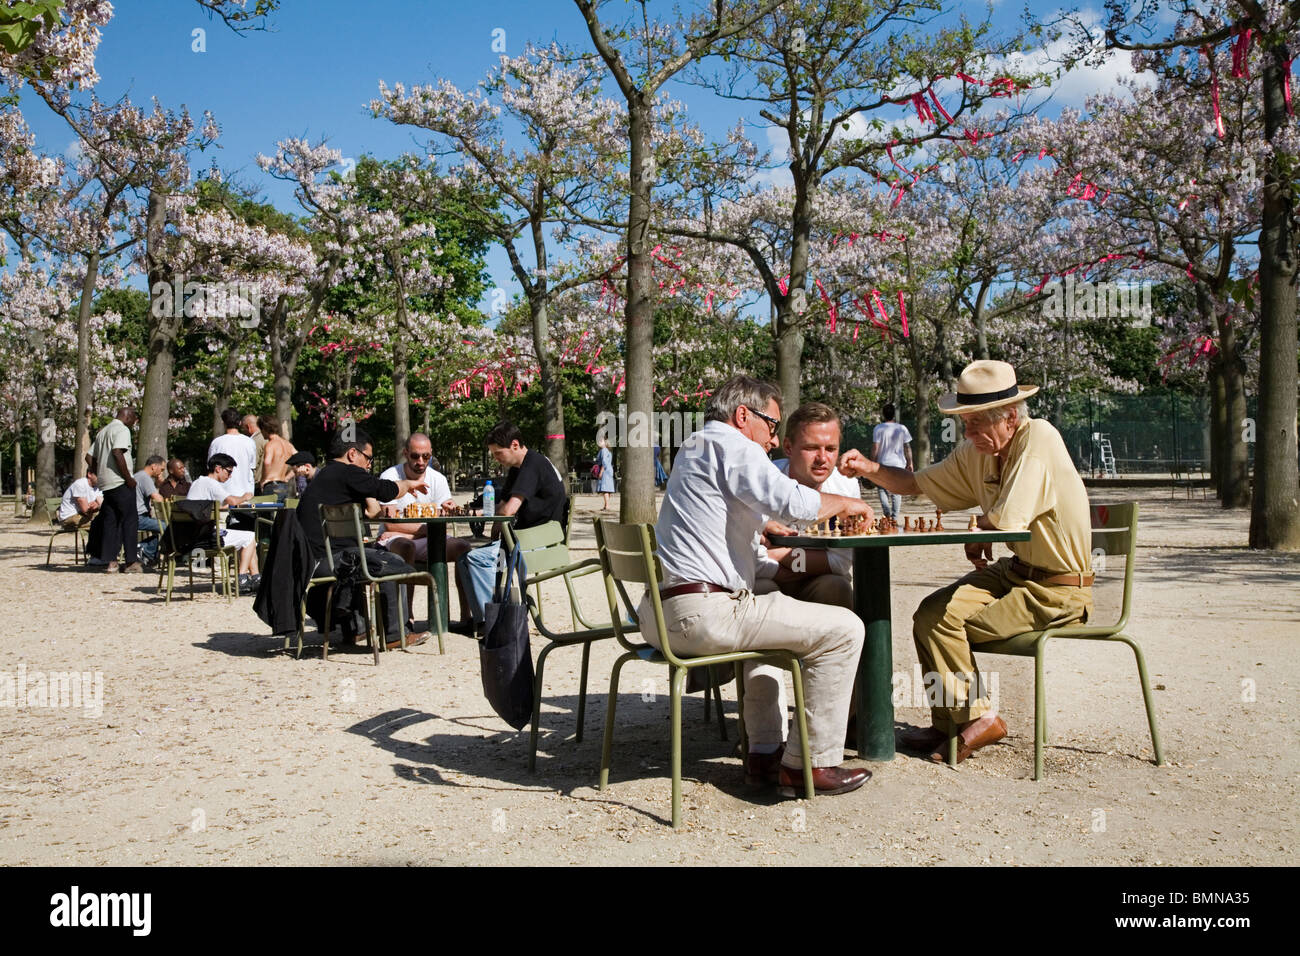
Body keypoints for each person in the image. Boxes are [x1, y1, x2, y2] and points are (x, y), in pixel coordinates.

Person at [838, 360, 1094, 764]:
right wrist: (869, 469)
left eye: (975, 423)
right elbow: (915, 484)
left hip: (1058, 589)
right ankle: (950, 722)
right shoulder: (976, 451)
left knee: (946, 624)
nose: (968, 433)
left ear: (1010, 416)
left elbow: (1008, 519)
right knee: (929, 614)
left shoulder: (1040, 437)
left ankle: (979, 715)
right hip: (1016, 571)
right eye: (964, 423)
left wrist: (981, 527)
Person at [646, 375, 873, 796]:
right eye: (772, 426)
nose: (771, 440)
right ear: (743, 415)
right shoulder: (730, 444)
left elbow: (751, 562)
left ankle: (765, 753)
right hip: (705, 615)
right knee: (846, 629)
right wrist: (850, 503)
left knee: (766, 603)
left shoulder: (694, 447)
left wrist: (780, 566)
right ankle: (813, 764)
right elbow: (796, 503)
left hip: (662, 614)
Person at [296, 428, 433, 649]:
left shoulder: (327, 476)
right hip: (330, 563)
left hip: (312, 562)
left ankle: (356, 630)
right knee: (390, 561)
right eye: (368, 458)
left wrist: (366, 489)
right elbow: (385, 489)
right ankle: (395, 634)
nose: (368, 465)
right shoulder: (347, 472)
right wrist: (407, 484)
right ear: (352, 454)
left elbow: (371, 511)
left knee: (361, 556)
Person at [450, 421, 567, 636]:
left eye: (498, 454)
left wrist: (478, 515)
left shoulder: (533, 465)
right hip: (524, 540)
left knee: (476, 559)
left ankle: (493, 622)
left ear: (515, 445)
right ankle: (481, 618)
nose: (496, 459)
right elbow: (502, 507)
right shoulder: (518, 467)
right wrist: (491, 525)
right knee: (465, 559)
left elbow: (508, 510)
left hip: (538, 545)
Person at [375, 433, 469, 615]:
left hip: (421, 537)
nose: (420, 461)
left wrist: (447, 511)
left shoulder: (438, 479)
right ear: (405, 453)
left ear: (431, 454)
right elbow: (390, 525)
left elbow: (443, 522)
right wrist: (426, 529)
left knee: (463, 547)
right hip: (397, 540)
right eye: (415, 456)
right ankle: (405, 618)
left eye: (426, 456)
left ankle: (467, 617)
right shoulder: (390, 476)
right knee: (406, 546)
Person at [186, 453, 260, 593]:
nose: (230, 476)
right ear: (218, 468)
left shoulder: (198, 482)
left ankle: (256, 577)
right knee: (249, 537)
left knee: (245, 538)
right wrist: (245, 496)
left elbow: (207, 506)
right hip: (204, 538)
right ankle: (243, 578)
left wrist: (223, 506)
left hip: (190, 536)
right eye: (229, 471)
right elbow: (231, 501)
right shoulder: (210, 483)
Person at [89, 407, 141, 573]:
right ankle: (131, 561)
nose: (134, 423)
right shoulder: (122, 429)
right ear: (127, 416)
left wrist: (99, 473)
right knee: (129, 520)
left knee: (111, 521)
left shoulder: (103, 431)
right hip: (119, 482)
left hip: (106, 483)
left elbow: (90, 456)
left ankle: (111, 562)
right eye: (134, 419)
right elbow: (118, 452)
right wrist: (128, 478)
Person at [870, 402, 913, 519]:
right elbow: (907, 447)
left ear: (883, 415)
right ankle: (894, 517)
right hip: (898, 463)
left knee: (881, 488)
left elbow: (875, 447)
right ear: (894, 414)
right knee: (896, 490)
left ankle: (887, 512)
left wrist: (872, 461)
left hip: (883, 463)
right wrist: (910, 462)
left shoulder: (878, 428)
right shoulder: (902, 428)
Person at [209, 409, 257, 499]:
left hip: (222, 495)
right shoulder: (250, 442)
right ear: (239, 423)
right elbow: (252, 467)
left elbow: (211, 468)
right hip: (245, 494)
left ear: (223, 423)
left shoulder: (217, 443)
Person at [132, 455, 167, 567]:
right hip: (138, 517)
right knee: (166, 526)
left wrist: (158, 481)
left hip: (135, 515)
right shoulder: (145, 477)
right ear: (153, 466)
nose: (161, 473)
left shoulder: (139, 475)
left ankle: (150, 556)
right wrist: (166, 501)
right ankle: (143, 548)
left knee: (159, 528)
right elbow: (156, 498)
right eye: (161, 469)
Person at [257, 415, 296, 501]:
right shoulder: (288, 445)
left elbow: (267, 462)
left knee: (266, 513)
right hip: (283, 485)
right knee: (280, 514)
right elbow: (299, 462)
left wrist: (263, 480)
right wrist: (287, 477)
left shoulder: (270, 444)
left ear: (264, 428)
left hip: (271, 484)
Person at [243, 414, 267, 490]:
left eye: (243, 428)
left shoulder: (254, 441)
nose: (243, 431)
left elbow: (252, 464)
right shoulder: (266, 437)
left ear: (248, 427)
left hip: (258, 484)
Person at [594, 437, 615, 510]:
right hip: (609, 470)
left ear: (605, 442)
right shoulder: (609, 451)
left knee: (605, 489)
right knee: (608, 489)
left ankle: (607, 506)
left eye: (601, 441)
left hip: (605, 471)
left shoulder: (603, 450)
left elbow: (604, 463)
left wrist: (601, 472)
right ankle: (606, 505)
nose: (599, 442)